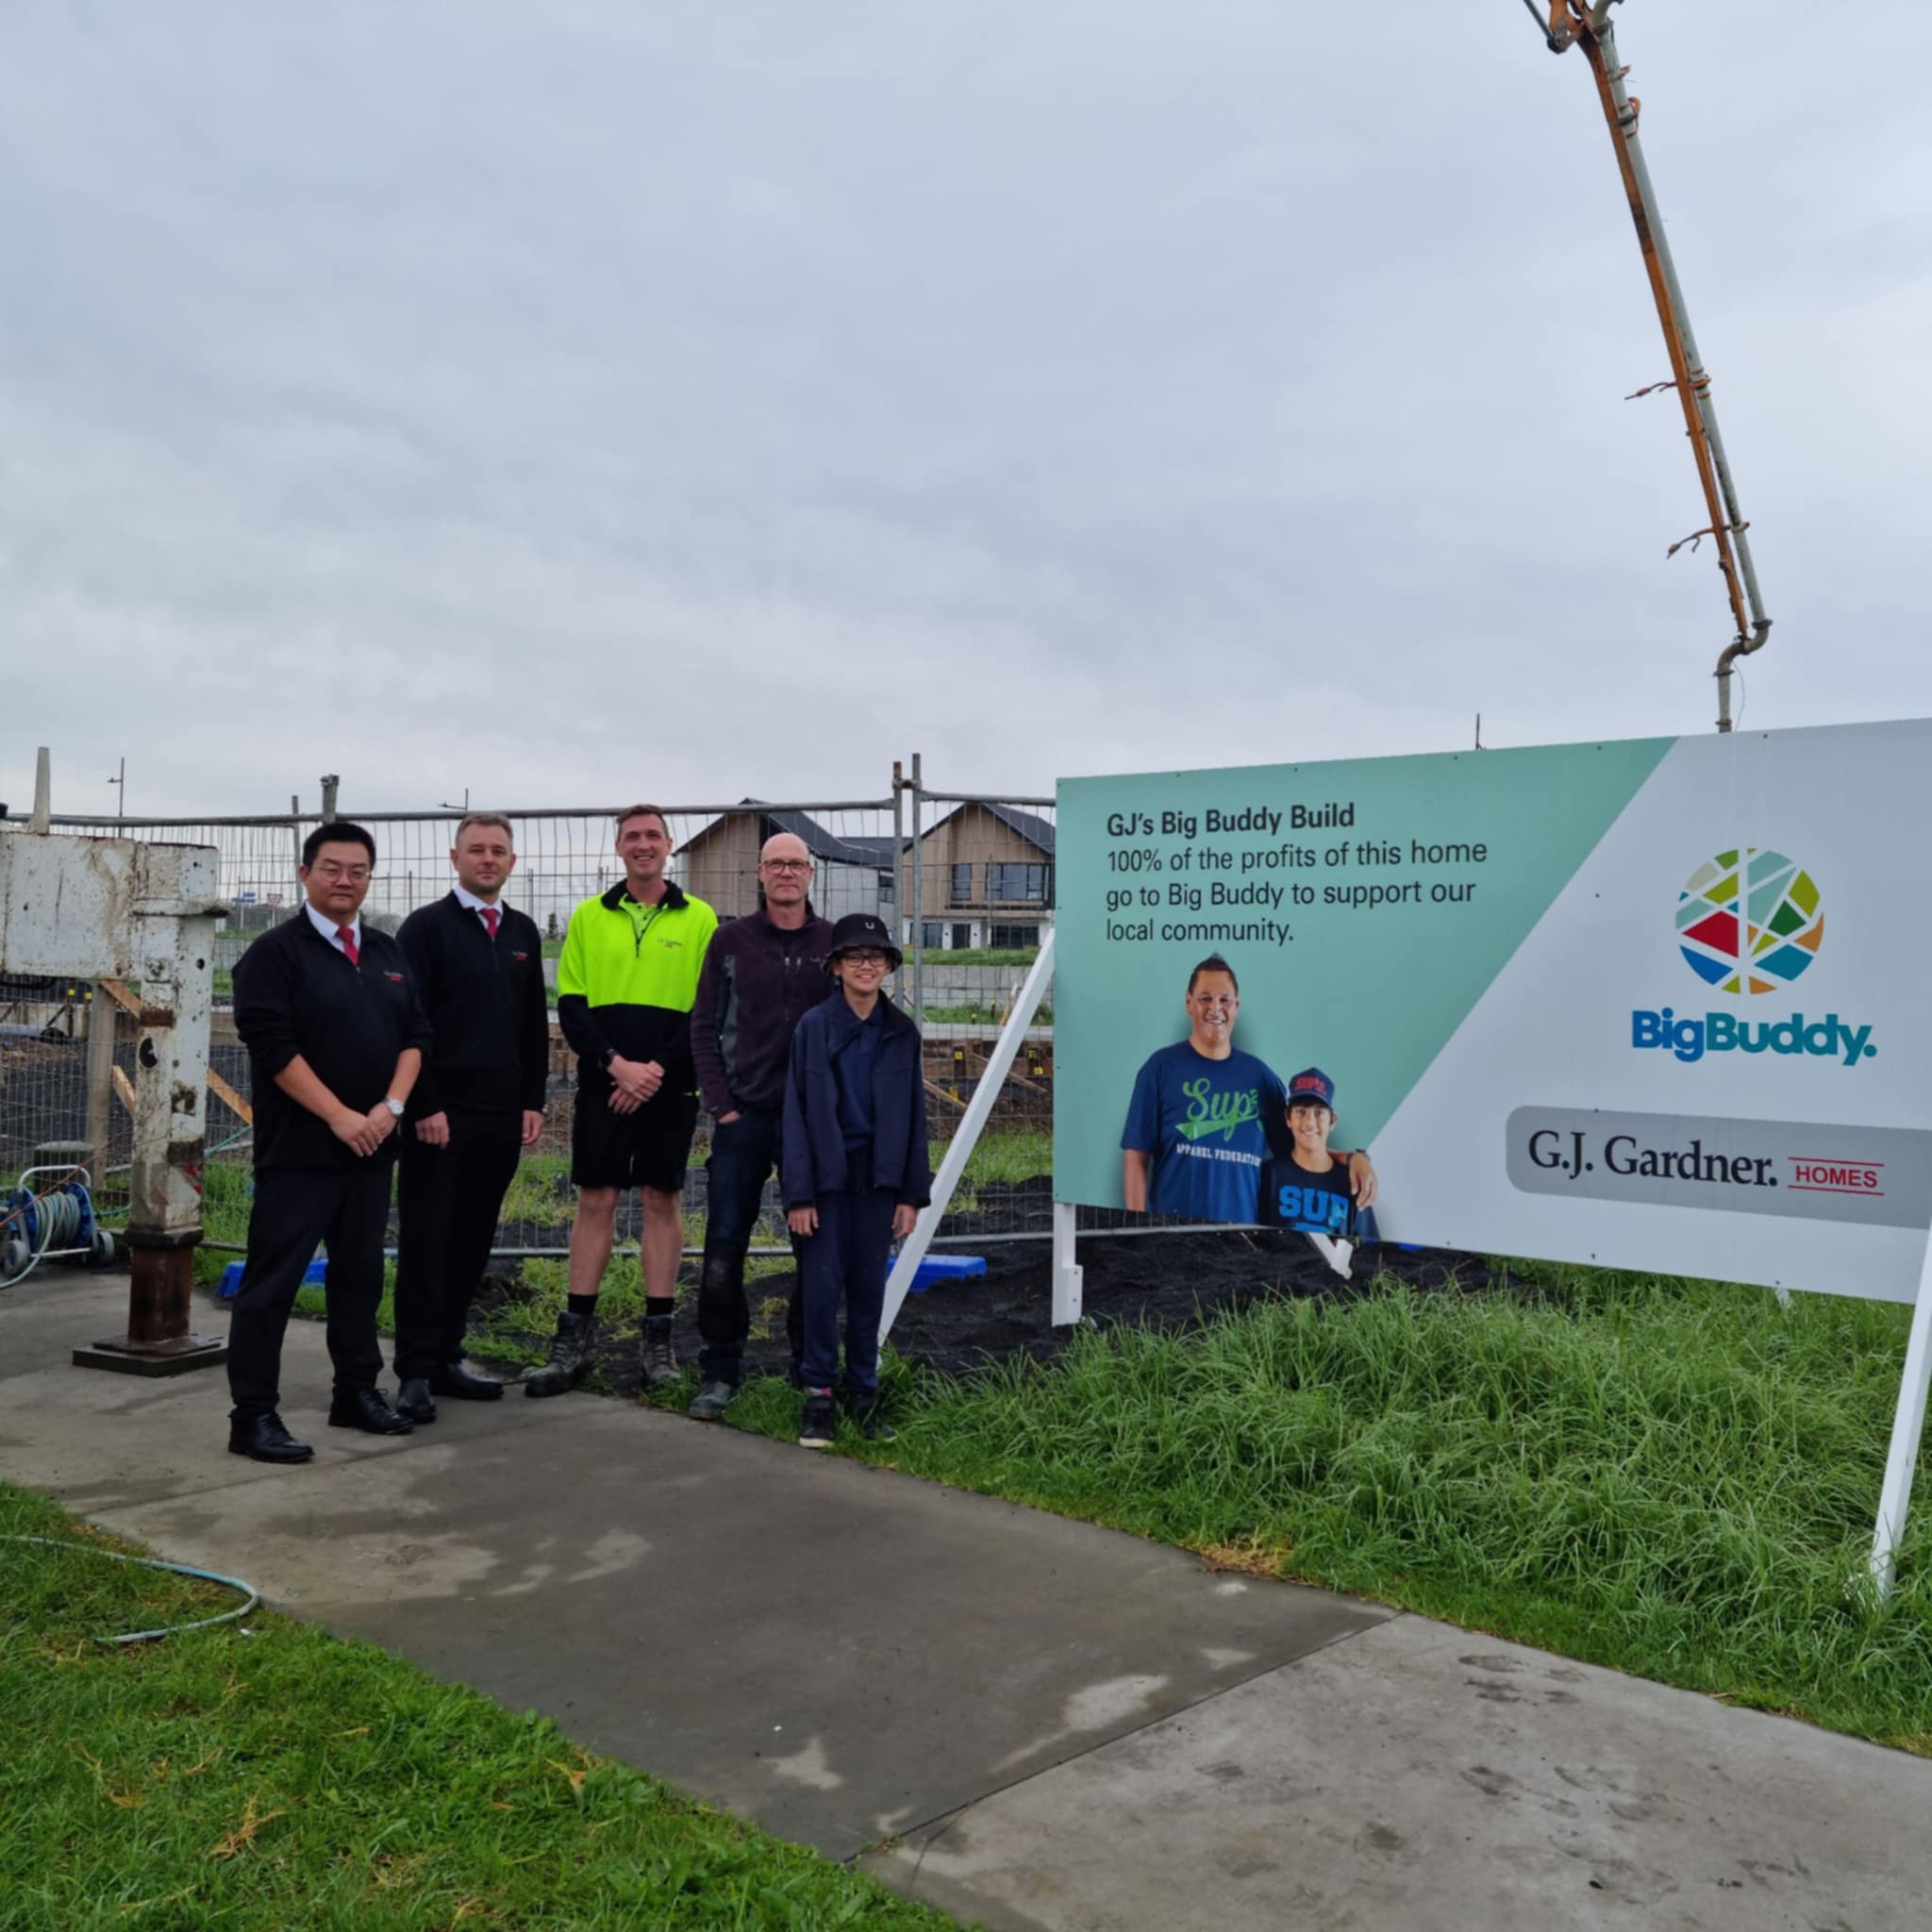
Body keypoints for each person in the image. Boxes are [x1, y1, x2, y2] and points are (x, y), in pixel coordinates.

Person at [225, 821, 431, 1462]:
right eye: (332, 868)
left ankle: (357, 1392)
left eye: (358, 871)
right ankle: (253, 1416)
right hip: (300, 1155)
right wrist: (340, 1115)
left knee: (360, 1277)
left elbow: (417, 1037)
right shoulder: (272, 956)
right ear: (305, 873)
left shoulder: (386, 952)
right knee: (271, 1286)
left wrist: (389, 1108)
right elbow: (274, 1048)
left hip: (371, 1151)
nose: (345, 880)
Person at [527, 804, 717, 1397]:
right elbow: (572, 1006)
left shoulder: (701, 919)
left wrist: (655, 1071)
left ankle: (657, 1343)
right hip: (604, 1086)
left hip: (670, 1084)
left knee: (663, 1199)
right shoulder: (588, 917)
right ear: (618, 847)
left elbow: (704, 1011)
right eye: (632, 836)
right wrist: (617, 1067)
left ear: (669, 845)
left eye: (652, 836)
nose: (642, 845)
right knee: (597, 1199)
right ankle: (573, 1341)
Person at [391, 813, 550, 1422]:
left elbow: (533, 1022)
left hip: (500, 1116)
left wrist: (531, 1100)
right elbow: (410, 1022)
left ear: (512, 862)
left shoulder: (522, 932)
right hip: (440, 1117)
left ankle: (448, 1356)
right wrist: (423, 1105)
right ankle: (414, 1370)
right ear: (454, 858)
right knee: (427, 1240)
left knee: (473, 1240)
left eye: (499, 851)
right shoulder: (426, 929)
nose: (488, 859)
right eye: (476, 850)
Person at [686, 830, 836, 1420]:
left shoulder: (833, 942)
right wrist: (721, 1104)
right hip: (743, 1119)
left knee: (816, 1250)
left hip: (812, 1128)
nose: (786, 873)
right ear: (759, 873)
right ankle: (720, 1369)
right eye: (775, 863)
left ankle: (811, 1369)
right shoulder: (731, 940)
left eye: (796, 864)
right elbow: (703, 1027)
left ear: (811, 874)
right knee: (724, 1247)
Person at [780, 913, 931, 1449]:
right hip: (824, 1184)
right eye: (853, 957)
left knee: (869, 1290)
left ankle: (863, 1392)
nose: (865, 965)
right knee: (821, 1287)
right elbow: (796, 1114)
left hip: (880, 1186)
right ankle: (818, 1393)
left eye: (876, 956)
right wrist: (798, 1193)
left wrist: (912, 1194)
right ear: (837, 967)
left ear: (889, 967)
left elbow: (915, 1117)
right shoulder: (814, 1029)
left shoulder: (902, 1033)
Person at [1120, 955, 1374, 1225]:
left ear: (1236, 1007)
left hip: (1240, 1235)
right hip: (1171, 1231)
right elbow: (1135, 1158)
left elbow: (1301, 1149)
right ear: (1189, 1003)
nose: (1215, 1008)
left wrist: (1354, 1157)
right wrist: (1139, 1225)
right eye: (1205, 998)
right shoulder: (1160, 1069)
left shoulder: (1261, 1079)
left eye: (1224, 1000)